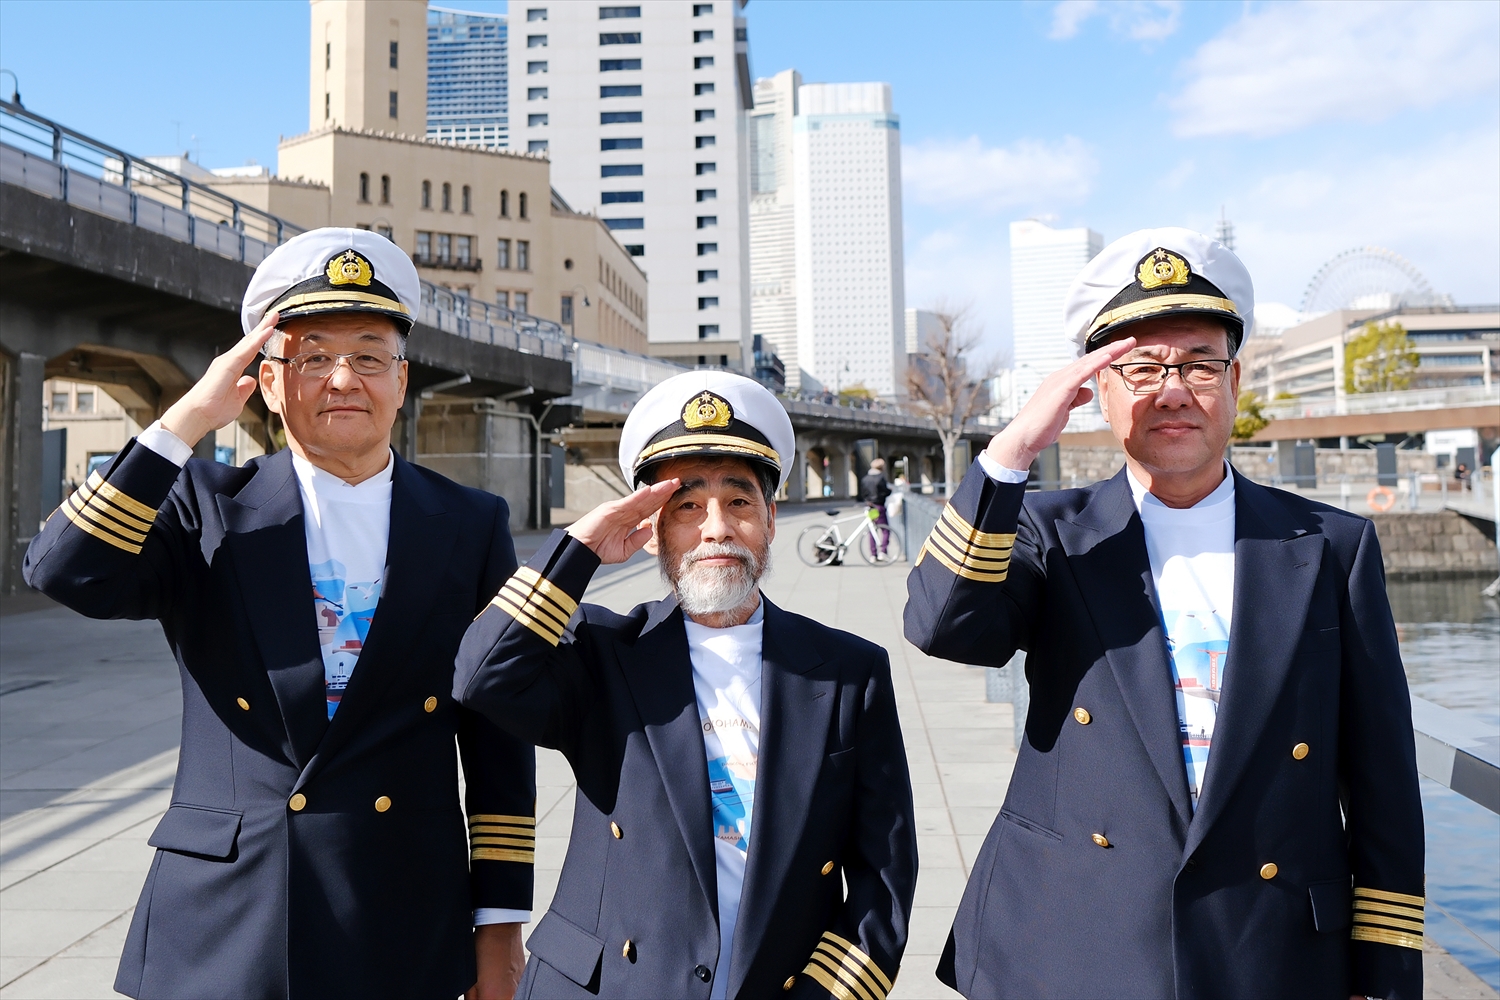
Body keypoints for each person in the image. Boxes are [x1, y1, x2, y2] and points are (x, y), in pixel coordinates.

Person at [904, 229, 1424, 999]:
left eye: (1199, 364)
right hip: (1073, 936)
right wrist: (1009, 453)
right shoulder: (1055, 534)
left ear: (1235, 380)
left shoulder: (1330, 546)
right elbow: (942, 626)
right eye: (1141, 367)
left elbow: (1383, 780)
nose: (1173, 389)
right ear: (1099, 391)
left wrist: (1383, 975)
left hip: (1269, 944)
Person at [24, 229, 536, 1000]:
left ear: (402, 380)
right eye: (311, 356)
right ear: (265, 382)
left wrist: (498, 927)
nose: (342, 379)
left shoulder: (470, 523)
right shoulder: (205, 505)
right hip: (228, 917)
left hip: (397, 907)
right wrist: (186, 420)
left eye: (369, 355)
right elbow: (63, 569)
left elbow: (497, 731)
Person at [455, 371, 918, 999]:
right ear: (654, 532)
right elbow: (481, 678)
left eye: (740, 501)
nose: (716, 528)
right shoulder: (604, 652)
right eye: (688, 507)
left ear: (772, 518)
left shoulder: (847, 672)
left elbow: (882, 879)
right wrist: (579, 549)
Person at [859, 458, 894, 557]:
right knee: (885, 530)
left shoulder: (865, 478)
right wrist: (890, 491)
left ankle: (873, 554)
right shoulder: (880, 478)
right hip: (879, 506)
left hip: (869, 506)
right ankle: (883, 552)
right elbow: (885, 492)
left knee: (872, 530)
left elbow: (863, 493)